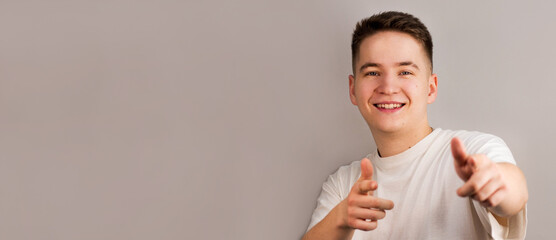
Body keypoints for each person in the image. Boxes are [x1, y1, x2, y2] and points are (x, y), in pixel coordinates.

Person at [302, 11, 528, 240]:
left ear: (431, 88)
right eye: (372, 72)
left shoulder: (473, 151)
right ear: (353, 89)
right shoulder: (343, 183)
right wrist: (341, 218)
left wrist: (497, 184)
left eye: (405, 72)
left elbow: (514, 190)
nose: (388, 87)